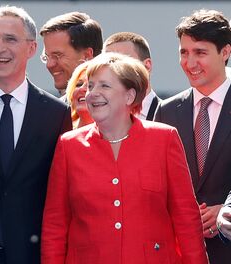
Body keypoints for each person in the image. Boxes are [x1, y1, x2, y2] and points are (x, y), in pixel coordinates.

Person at [42, 52, 208, 263]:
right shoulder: (69, 145)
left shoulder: (164, 139)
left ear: (129, 96)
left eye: (104, 86)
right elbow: (55, 225)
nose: (92, 93)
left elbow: (186, 218)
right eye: (91, 86)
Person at [0, 6, 71, 264]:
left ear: (31, 49)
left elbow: (60, 191)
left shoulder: (56, 113)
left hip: (30, 251)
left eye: (10, 39)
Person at [154, 9, 231, 264]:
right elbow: (156, 179)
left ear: (226, 52)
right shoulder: (167, 110)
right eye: (184, 52)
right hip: (180, 252)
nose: (190, 62)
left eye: (200, 52)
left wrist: (225, 211)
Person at [40, 12, 102, 96]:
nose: (49, 65)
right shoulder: (54, 106)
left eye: (57, 56)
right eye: (46, 57)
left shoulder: (113, 106)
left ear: (87, 55)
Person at [104, 32, 161, 120]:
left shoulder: (170, 116)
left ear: (147, 66)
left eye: (124, 62)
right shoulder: (100, 118)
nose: (114, 70)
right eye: (107, 63)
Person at [64, 61, 93, 128]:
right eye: (78, 84)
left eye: (90, 85)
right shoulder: (58, 130)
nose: (82, 88)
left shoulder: (118, 134)